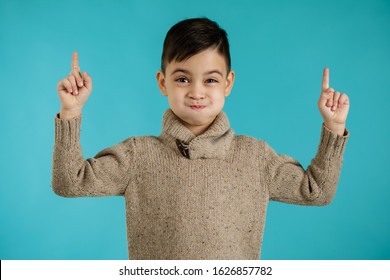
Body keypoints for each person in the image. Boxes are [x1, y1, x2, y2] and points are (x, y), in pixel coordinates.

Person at [52, 17, 350, 259]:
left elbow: (317, 191)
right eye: (182, 78)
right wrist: (71, 111)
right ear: (162, 82)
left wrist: (334, 128)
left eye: (210, 79)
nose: (196, 91)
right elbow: (70, 182)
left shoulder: (255, 157)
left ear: (228, 83)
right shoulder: (137, 156)